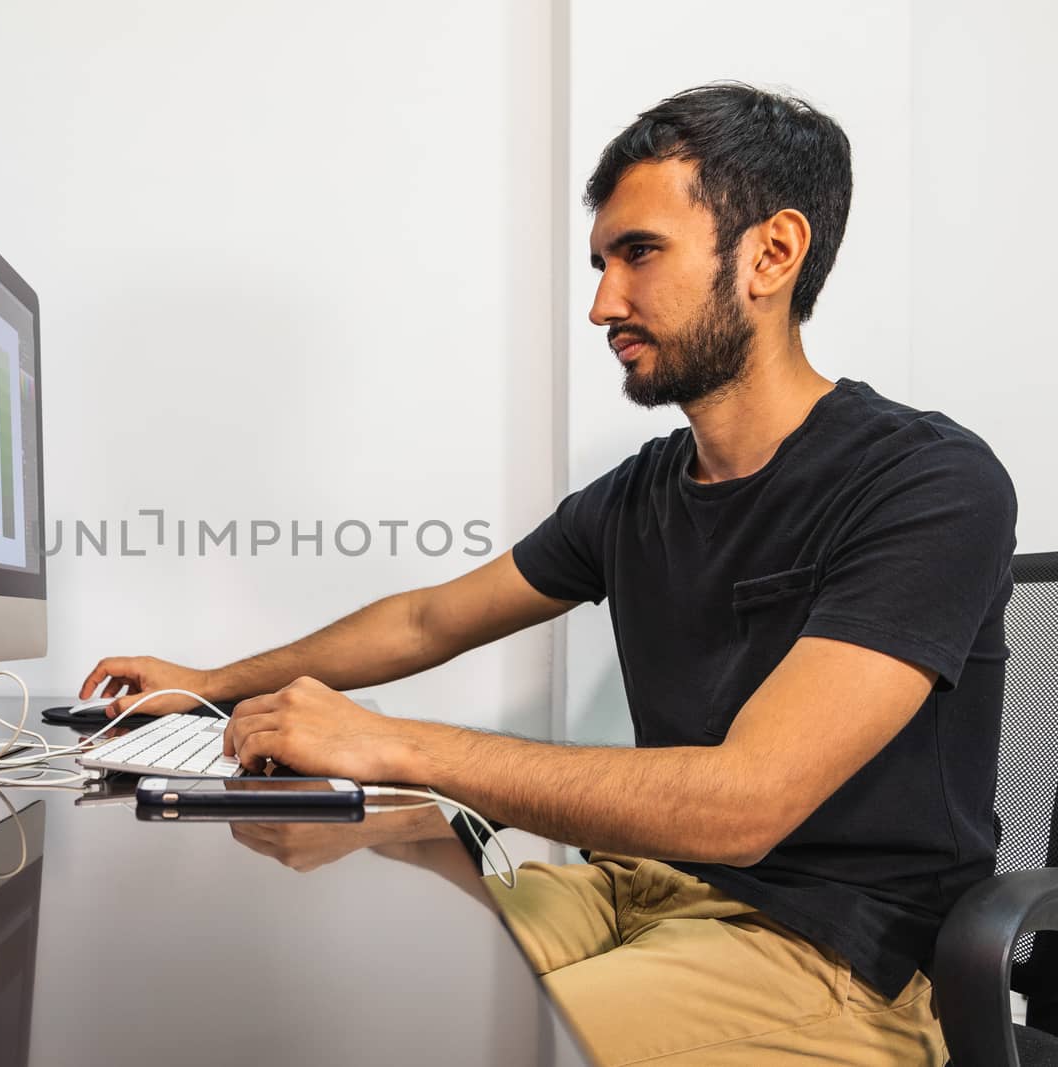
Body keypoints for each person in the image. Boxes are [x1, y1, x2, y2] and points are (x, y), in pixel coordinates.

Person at [79, 82, 1015, 1065]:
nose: (602, 301)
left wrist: (394, 744)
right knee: (337, 955)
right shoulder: (642, 491)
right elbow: (428, 620)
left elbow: (743, 802)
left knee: (440, 1033)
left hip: (834, 951)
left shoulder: (928, 482)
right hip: (634, 889)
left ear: (770, 254)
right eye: (600, 262)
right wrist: (208, 681)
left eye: (638, 253)